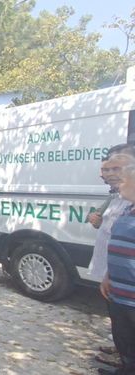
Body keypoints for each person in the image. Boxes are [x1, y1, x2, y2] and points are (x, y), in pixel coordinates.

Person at [99, 152, 135, 375]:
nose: (118, 184)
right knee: (124, 340)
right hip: (118, 293)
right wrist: (108, 275)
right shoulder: (126, 208)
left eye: (124, 180)